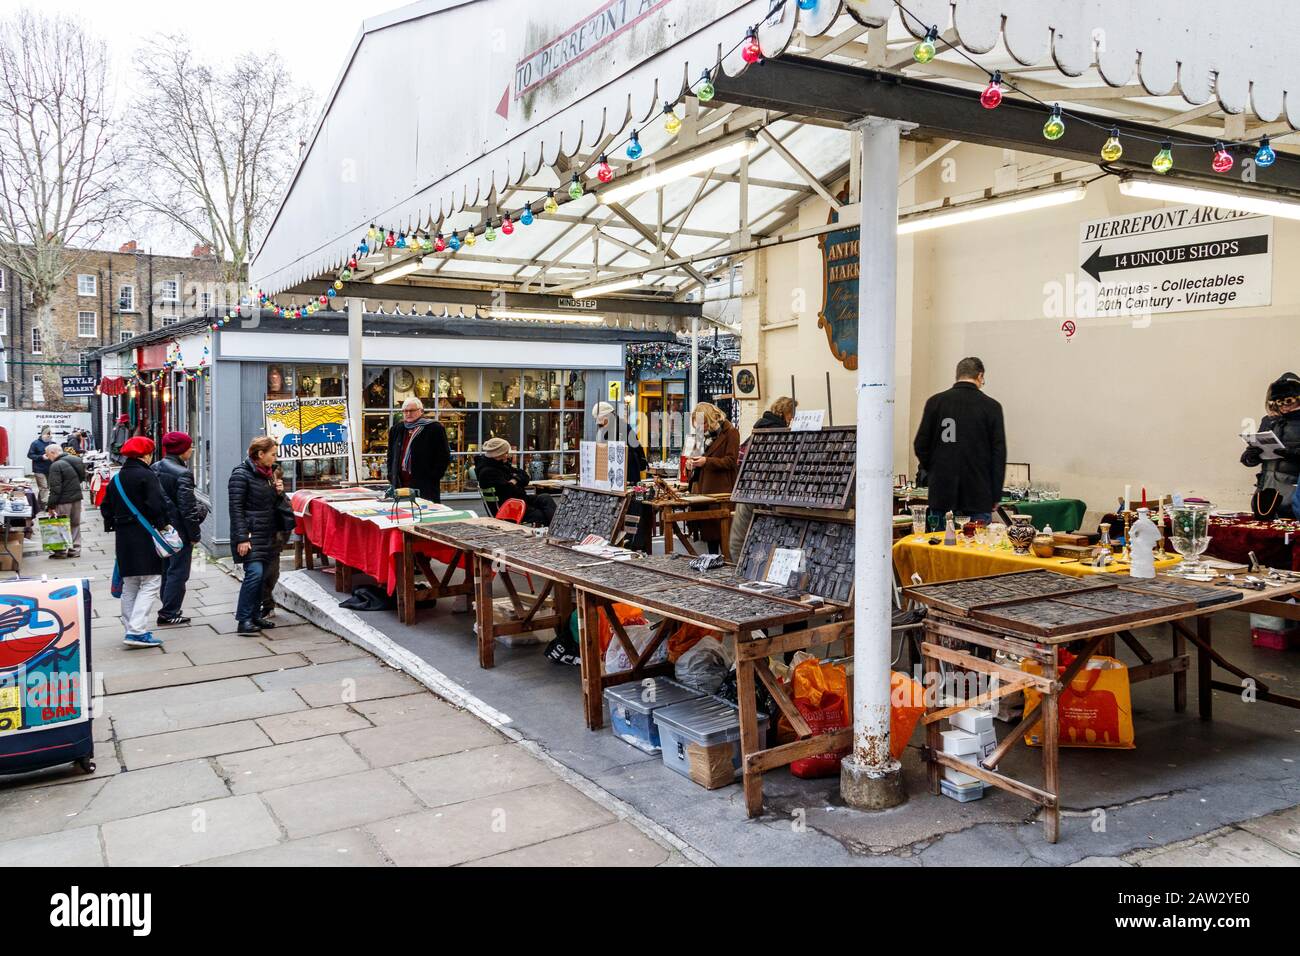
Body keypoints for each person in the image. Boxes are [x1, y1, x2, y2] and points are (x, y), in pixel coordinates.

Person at [914, 357, 1007, 525]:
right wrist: (995, 494)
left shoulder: (935, 403)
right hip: (978, 493)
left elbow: (920, 445)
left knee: (941, 546)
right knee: (974, 547)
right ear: (980, 376)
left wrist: (936, 470)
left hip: (942, 492)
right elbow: (998, 455)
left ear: (958, 375)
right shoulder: (992, 407)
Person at [101, 437, 174, 648]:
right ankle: (137, 630)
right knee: (151, 583)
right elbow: (157, 506)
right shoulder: (147, 476)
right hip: (144, 535)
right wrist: (164, 526)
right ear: (146, 454)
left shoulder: (117, 478)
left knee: (130, 584)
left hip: (124, 537)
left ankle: (130, 627)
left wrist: (114, 524)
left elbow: (106, 507)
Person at [228, 436, 294, 635]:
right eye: (273, 454)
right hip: (251, 534)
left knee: (263, 576)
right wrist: (242, 538)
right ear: (260, 454)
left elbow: (275, 506)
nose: (275, 458)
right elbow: (236, 508)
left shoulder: (270, 475)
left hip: (269, 534)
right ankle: (244, 619)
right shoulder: (240, 475)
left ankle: (255, 616)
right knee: (254, 574)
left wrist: (280, 493)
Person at [729, 396, 798, 558]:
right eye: (791, 415)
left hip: (747, 488)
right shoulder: (779, 433)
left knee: (740, 537)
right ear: (785, 413)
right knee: (768, 539)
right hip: (769, 492)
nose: (792, 419)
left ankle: (737, 570)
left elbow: (740, 457)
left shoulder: (759, 428)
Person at [152, 431, 209, 626]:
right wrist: (194, 535)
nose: (192, 450)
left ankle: (168, 606)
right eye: (190, 446)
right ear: (181, 449)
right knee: (179, 572)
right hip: (179, 531)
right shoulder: (182, 473)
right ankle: (169, 612)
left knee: (167, 569)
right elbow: (188, 508)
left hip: (162, 529)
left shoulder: (156, 467)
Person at [1241, 372, 1300, 519]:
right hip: (1265, 491)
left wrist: (1290, 453)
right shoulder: (1268, 421)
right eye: (1279, 402)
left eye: (1289, 401)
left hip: (1293, 493)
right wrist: (1251, 456)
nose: (1285, 408)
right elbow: (1252, 456)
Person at [686, 402, 740, 554]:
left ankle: (728, 563)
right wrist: (690, 464)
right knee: (709, 532)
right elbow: (692, 457)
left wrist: (706, 461)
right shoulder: (701, 436)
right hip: (703, 489)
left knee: (722, 530)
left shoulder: (731, 433)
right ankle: (712, 559)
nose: (700, 428)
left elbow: (730, 461)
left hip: (721, 489)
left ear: (711, 419)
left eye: (702, 424)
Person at [475, 437, 556, 526]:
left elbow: (524, 476)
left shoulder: (500, 465)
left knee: (545, 497)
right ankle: (559, 529)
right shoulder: (487, 472)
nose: (508, 455)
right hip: (509, 509)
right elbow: (510, 490)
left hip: (517, 502)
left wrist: (514, 480)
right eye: (506, 453)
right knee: (545, 515)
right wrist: (517, 481)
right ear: (498, 454)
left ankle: (559, 528)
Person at [386, 397, 451, 503]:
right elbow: (390, 455)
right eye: (405, 411)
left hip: (425, 485)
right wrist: (391, 474)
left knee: (425, 514)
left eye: (411, 410)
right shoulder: (397, 429)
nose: (408, 413)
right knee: (402, 516)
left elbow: (443, 457)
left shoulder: (434, 428)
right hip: (400, 484)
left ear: (421, 411)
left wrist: (432, 478)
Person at [44, 443, 86, 559]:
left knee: (60, 525)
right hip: (77, 497)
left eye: (48, 455)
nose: (48, 458)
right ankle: (75, 550)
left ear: (53, 452)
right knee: (75, 524)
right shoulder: (76, 459)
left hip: (63, 500)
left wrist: (50, 505)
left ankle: (61, 551)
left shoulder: (56, 466)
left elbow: (55, 488)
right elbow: (82, 477)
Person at [592, 401, 648, 481]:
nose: (599, 423)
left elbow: (635, 446)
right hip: (611, 470)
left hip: (628, 470)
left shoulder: (623, 427)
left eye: (601, 420)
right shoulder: (605, 429)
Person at [27, 427, 56, 508]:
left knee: (46, 488)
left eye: (50, 433)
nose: (49, 435)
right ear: (42, 433)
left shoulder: (53, 443)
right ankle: (46, 505)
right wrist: (41, 457)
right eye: (47, 433)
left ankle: (39, 505)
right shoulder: (35, 443)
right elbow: (30, 455)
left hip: (50, 469)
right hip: (39, 469)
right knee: (44, 487)